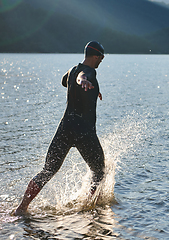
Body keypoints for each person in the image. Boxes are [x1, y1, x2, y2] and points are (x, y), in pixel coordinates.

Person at [14, 41, 106, 216]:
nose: (102, 61)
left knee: (47, 170)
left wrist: (91, 91)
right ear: (96, 56)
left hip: (65, 128)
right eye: (101, 57)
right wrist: (84, 83)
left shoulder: (72, 70)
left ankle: (21, 208)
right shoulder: (88, 72)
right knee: (99, 171)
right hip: (83, 130)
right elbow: (82, 77)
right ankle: (89, 209)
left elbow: (66, 80)